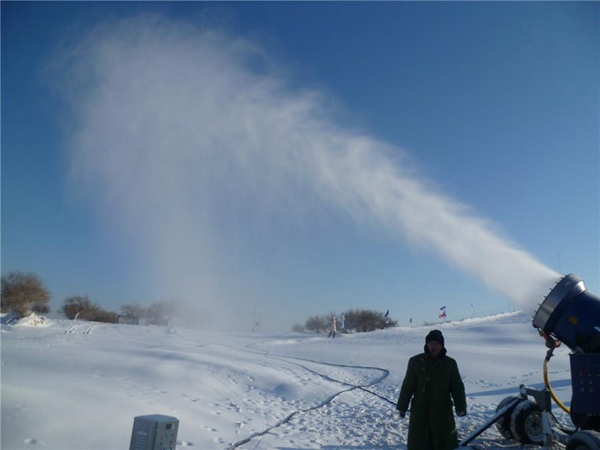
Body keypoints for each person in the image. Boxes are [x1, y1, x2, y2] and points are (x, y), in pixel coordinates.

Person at [396, 329, 466, 450]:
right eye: (431, 343)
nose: (433, 347)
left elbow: (457, 387)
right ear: (426, 344)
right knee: (420, 443)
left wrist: (461, 407)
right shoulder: (415, 361)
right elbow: (408, 385)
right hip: (420, 411)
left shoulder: (450, 363)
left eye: (437, 344)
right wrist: (402, 406)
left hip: (442, 411)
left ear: (442, 345)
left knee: (442, 443)